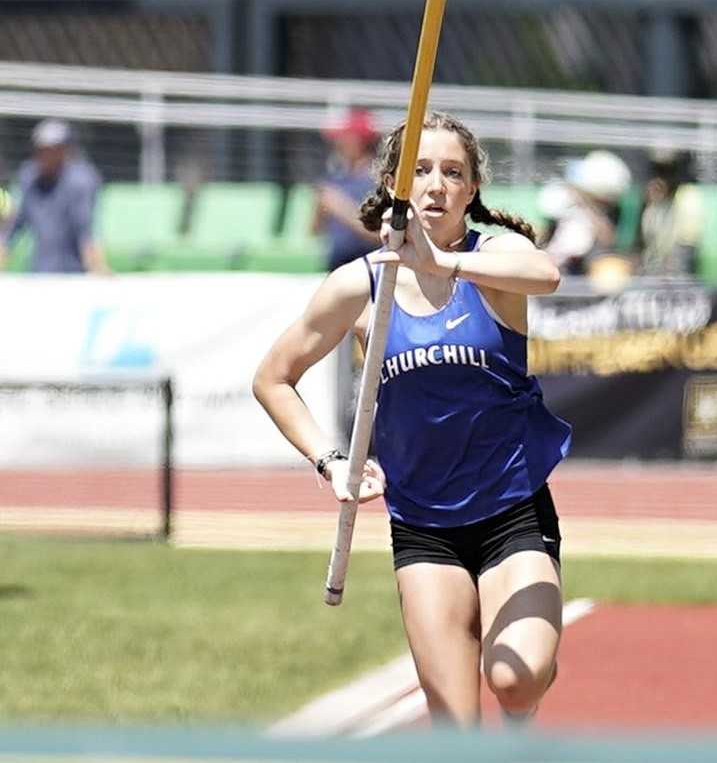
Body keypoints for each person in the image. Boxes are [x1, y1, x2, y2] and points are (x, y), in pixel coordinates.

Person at [253, 112, 572, 727]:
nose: (435, 185)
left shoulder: (494, 259)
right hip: (424, 526)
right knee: (455, 723)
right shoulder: (360, 285)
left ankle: (527, 696)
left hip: (512, 510)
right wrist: (331, 460)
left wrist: (439, 263)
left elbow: (547, 274)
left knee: (516, 676)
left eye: (453, 172)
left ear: (472, 189)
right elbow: (273, 379)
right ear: (394, 185)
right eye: (420, 171)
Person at [0, 119, 109, 275]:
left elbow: (86, 232)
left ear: (66, 150)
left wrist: (98, 268)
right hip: (38, 274)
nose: (47, 155)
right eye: (42, 149)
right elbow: (13, 230)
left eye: (53, 149)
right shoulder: (29, 178)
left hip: (74, 276)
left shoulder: (81, 181)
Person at [312, 108, 381, 271]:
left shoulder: (379, 182)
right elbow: (314, 230)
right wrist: (319, 206)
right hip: (336, 268)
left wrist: (339, 206)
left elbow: (382, 234)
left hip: (368, 271)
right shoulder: (334, 180)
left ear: (359, 141)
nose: (337, 144)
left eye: (343, 138)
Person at [542, 150, 631, 276]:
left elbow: (608, 238)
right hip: (558, 266)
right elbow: (548, 233)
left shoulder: (606, 212)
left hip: (584, 270)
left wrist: (586, 206)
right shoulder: (564, 200)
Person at [638, 148, 702, 276]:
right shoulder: (652, 203)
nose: (657, 180)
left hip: (675, 281)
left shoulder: (688, 198)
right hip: (649, 277)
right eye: (655, 172)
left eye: (665, 173)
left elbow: (684, 256)